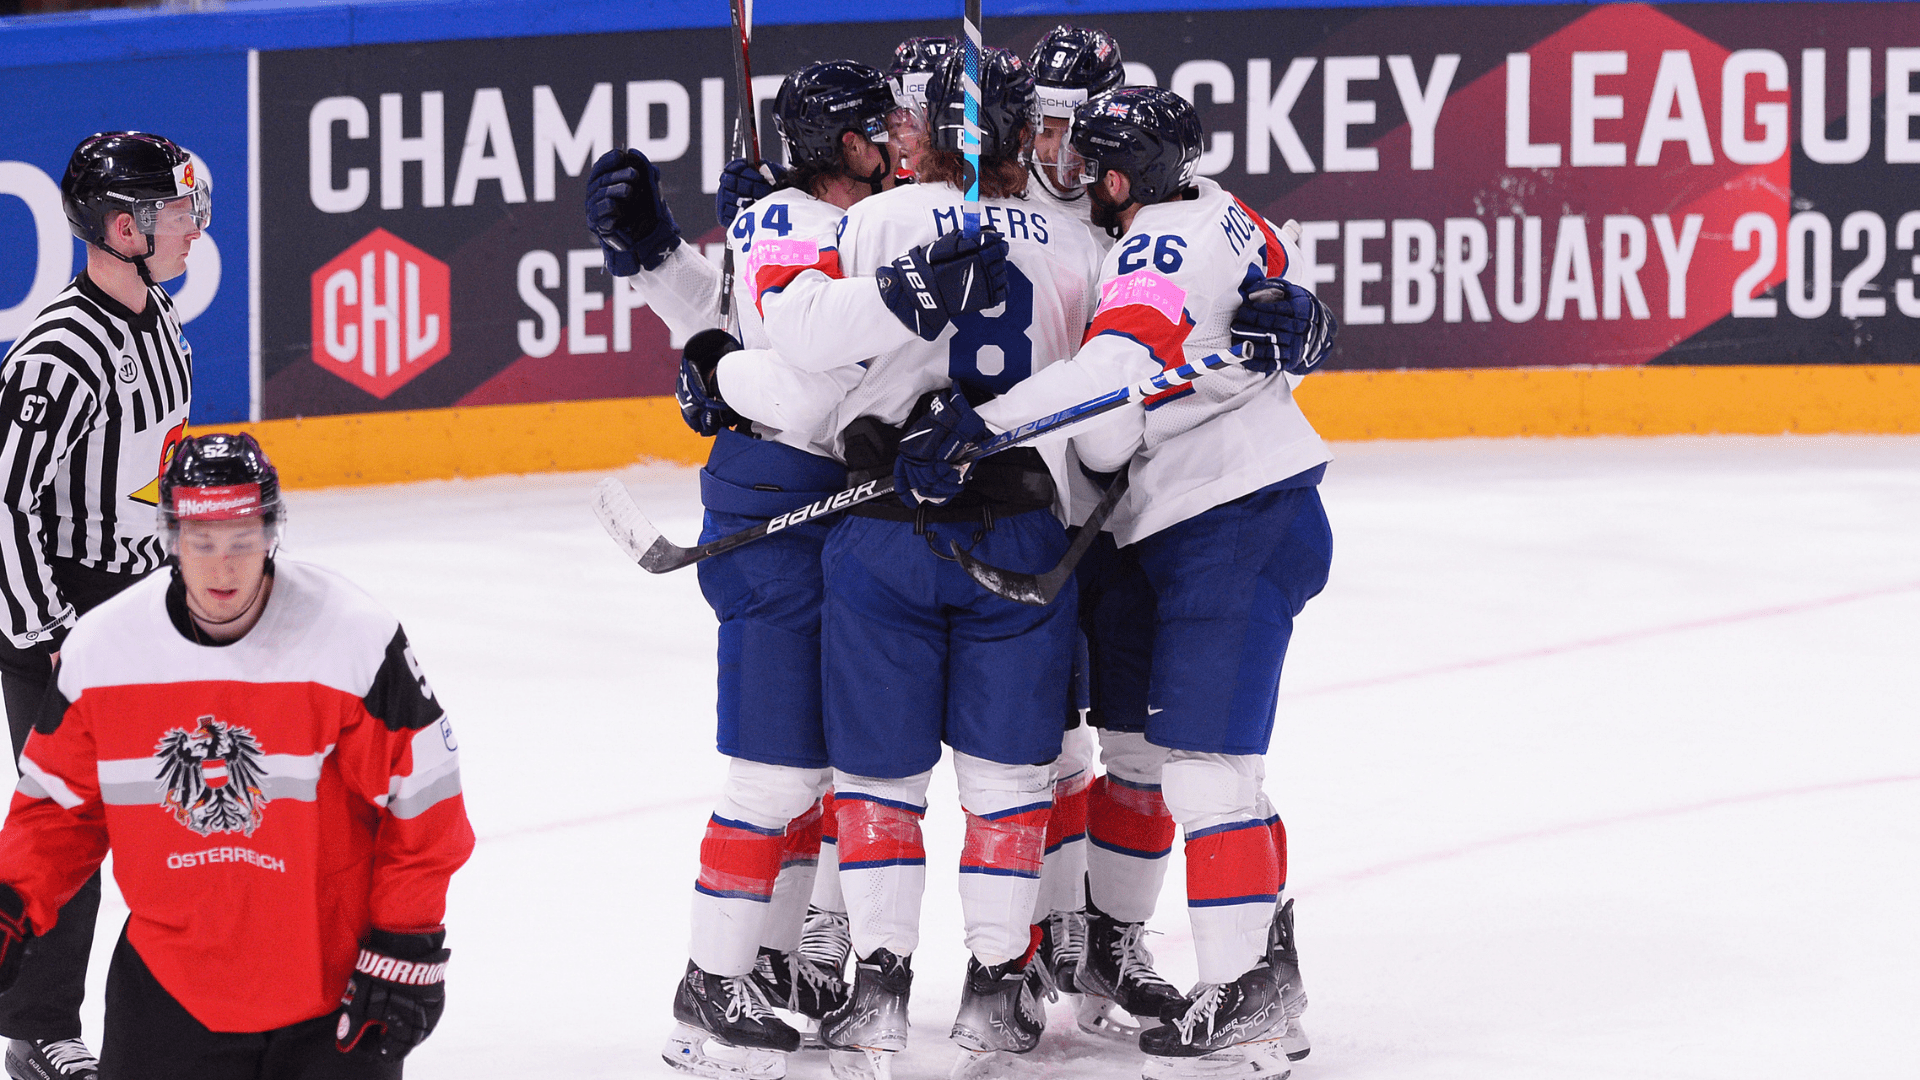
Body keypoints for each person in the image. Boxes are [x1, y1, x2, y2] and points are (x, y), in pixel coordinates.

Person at [896, 85, 1339, 1077]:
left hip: (1223, 516)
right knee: (1173, 761)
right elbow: (1261, 295)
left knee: (1206, 771)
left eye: (1092, 158)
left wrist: (982, 427)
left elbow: (1115, 372)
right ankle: (1235, 973)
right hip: (1183, 525)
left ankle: (1243, 995)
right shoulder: (1221, 207)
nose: (1076, 171)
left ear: (1121, 173)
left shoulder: (1155, 239)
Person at [584, 60, 1008, 1080]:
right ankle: (709, 989)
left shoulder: (839, 221)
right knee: (774, 770)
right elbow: (807, 368)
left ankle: (765, 960)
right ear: (842, 145)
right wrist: (716, 351)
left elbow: (743, 326)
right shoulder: (793, 220)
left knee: (817, 764)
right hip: (778, 509)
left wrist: (688, 304)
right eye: (879, 128)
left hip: (828, 514)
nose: (898, 139)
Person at [778, 48, 1101, 1079]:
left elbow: (800, 353)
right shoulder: (1077, 246)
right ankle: (997, 987)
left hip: (883, 532)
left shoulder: (871, 223)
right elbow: (1105, 427)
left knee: (878, 780)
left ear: (946, 128)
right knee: (1009, 780)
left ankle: (877, 992)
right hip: (1020, 539)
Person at [0, 433, 474, 1080]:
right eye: (202, 543)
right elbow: (58, 809)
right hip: (167, 995)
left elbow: (425, 799)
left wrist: (405, 941)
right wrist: (13, 898)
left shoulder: (352, 638)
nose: (222, 568)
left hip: (330, 992)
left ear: (272, 535)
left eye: (242, 542)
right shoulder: (103, 651)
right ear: (170, 539)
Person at [0, 130, 207, 1080]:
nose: (192, 225)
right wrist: (51, 635)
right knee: (70, 831)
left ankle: (186, 1005)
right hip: (65, 613)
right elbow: (5, 503)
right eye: (175, 211)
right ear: (123, 229)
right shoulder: (60, 353)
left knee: (181, 810)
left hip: (143, 601)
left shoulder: (158, 317)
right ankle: (37, 1029)